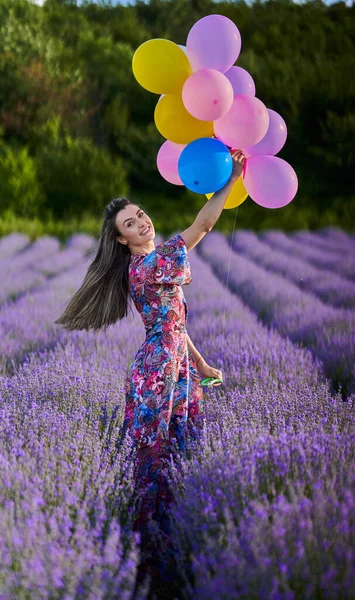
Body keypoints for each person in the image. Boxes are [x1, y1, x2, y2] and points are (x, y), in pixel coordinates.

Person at [55, 149, 246, 591]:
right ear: (122, 240)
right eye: (130, 224)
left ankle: (169, 548)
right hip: (158, 371)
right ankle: (146, 561)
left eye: (140, 215)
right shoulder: (147, 265)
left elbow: (174, 321)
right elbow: (204, 225)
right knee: (155, 459)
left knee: (180, 451)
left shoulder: (152, 260)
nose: (141, 223)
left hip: (175, 365)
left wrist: (199, 363)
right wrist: (231, 179)